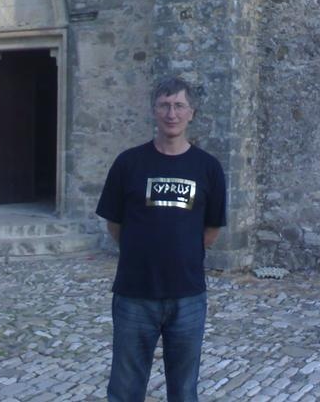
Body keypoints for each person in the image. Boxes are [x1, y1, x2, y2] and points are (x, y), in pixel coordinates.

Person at [96, 76, 227, 402]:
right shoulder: (128, 163)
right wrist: (143, 252)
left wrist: (180, 253)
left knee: (183, 390)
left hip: (188, 296)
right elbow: (115, 223)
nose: (172, 113)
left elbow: (211, 230)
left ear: (191, 113)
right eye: (164, 105)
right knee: (125, 389)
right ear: (154, 110)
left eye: (179, 106)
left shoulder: (208, 168)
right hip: (134, 293)